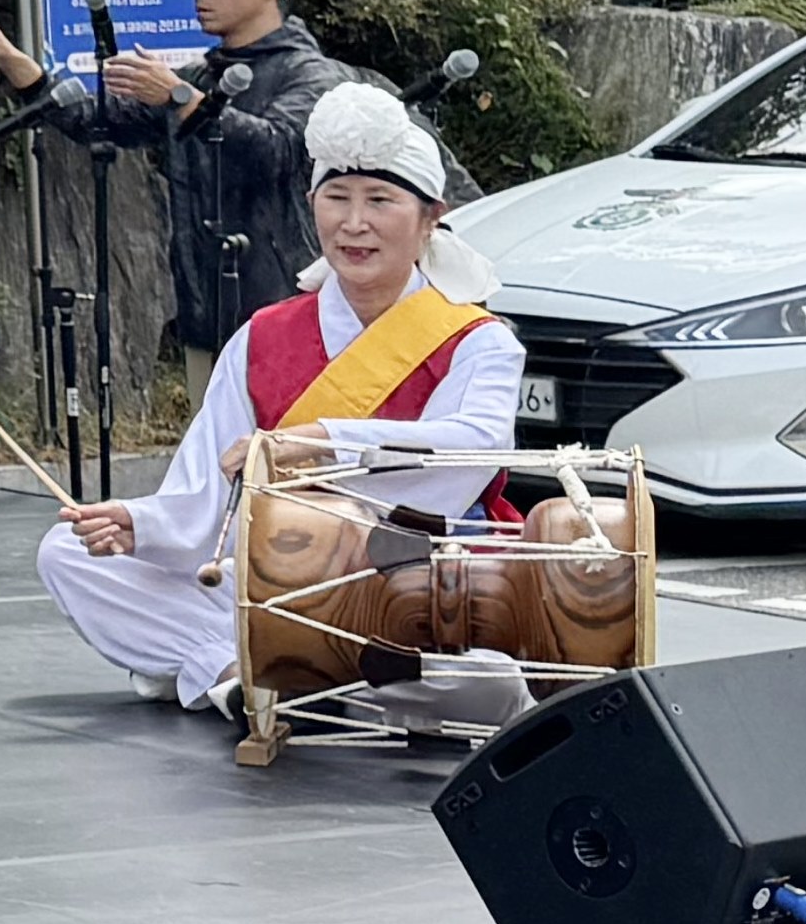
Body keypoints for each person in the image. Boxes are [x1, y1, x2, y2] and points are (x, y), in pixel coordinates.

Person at [37, 80, 523, 716]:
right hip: (270, 572)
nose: (354, 224)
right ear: (311, 204)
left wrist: (323, 442)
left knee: (492, 680)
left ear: (431, 216)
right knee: (68, 552)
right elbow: (208, 487)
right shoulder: (263, 336)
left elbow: (473, 451)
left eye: (380, 200)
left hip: (404, 571)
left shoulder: (478, 341)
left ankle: (252, 668)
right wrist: (145, 525)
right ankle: (249, 668)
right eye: (337, 199)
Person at [0, 0, 354, 388]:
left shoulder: (311, 74)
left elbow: (279, 150)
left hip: (286, 307)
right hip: (203, 312)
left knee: (283, 451)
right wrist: (20, 68)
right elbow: (100, 122)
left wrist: (181, 98)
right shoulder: (198, 76)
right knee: (211, 456)